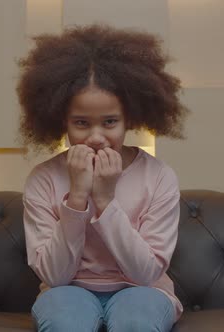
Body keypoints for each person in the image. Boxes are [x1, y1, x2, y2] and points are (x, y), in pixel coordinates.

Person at [17, 24, 188, 332]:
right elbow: (55, 278)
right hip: (68, 292)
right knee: (63, 321)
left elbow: (146, 274)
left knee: (137, 321)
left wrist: (106, 200)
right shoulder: (43, 179)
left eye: (110, 122)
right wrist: (78, 199)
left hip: (143, 291)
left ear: (130, 118)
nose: (96, 138)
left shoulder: (159, 176)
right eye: (81, 123)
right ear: (61, 120)